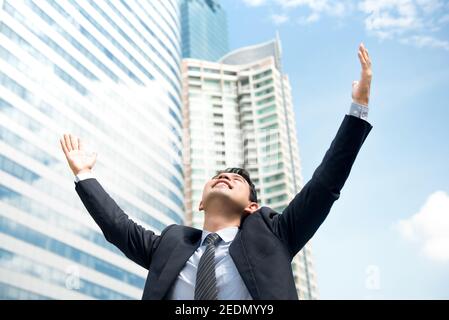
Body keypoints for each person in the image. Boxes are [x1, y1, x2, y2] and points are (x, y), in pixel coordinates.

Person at [60, 43, 373, 300]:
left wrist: (358, 108)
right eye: (220, 177)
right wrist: (85, 174)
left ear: (252, 206)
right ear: (200, 202)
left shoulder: (274, 233)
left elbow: (324, 185)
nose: (226, 177)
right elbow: (120, 228)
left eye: (237, 180)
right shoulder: (172, 243)